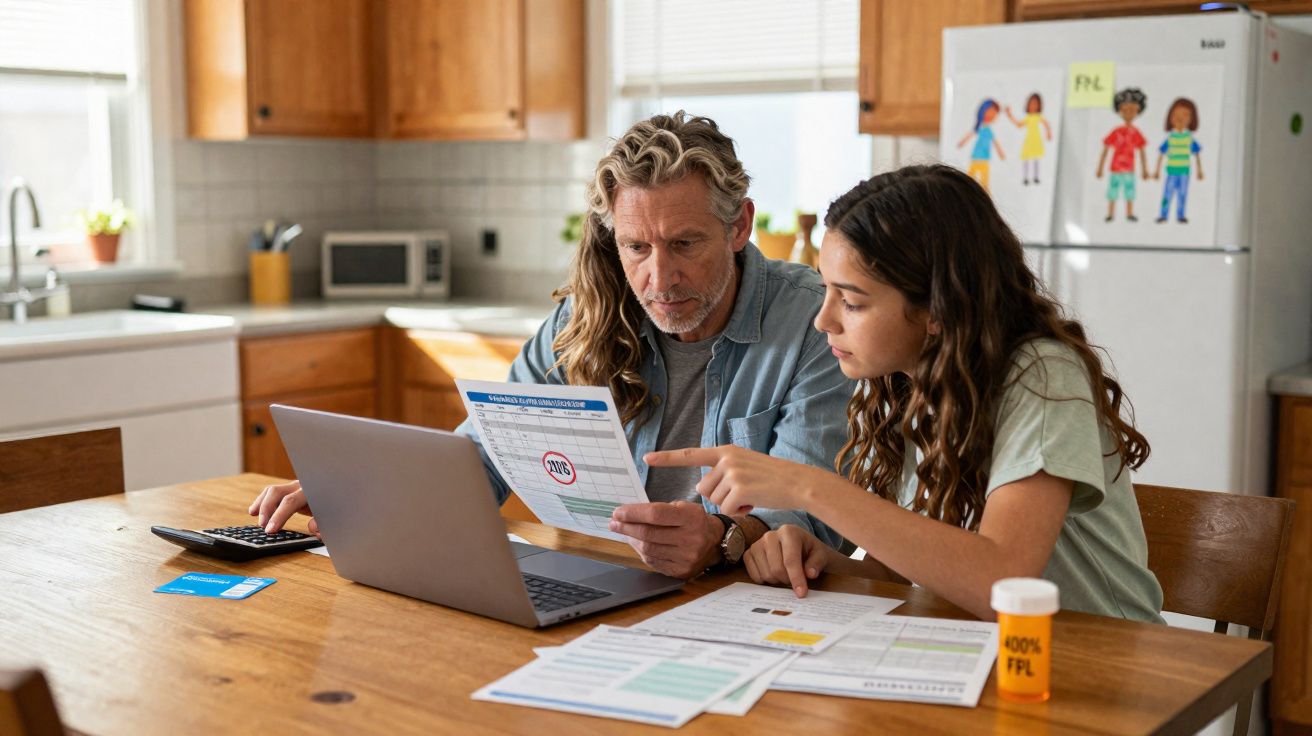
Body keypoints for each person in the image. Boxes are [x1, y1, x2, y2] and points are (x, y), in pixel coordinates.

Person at [248, 112, 855, 579]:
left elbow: (814, 511)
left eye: (686, 244)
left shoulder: (813, 320)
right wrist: (363, 499)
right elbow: (485, 453)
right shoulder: (586, 315)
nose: (659, 277)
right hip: (601, 582)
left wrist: (725, 538)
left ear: (740, 225)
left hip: (738, 606)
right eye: (636, 248)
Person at [646, 164, 1166, 623]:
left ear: (937, 308)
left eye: (850, 301)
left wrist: (807, 487)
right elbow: (918, 570)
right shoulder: (904, 383)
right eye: (826, 291)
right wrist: (821, 558)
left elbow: (1002, 584)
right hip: (982, 657)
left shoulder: (1041, 376)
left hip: (1098, 664)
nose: (822, 319)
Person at [1096, 87, 1150, 223]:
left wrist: (1144, 170)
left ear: (1138, 111)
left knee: (1129, 193)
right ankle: (1110, 213)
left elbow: (1142, 150)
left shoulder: (1136, 132)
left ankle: (1129, 213)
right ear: (1119, 111)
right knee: (1112, 192)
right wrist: (1100, 168)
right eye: (1125, 110)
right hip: (1115, 169)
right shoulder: (1116, 131)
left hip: (1129, 169)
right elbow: (1106, 149)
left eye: (1132, 110)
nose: (1128, 113)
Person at [1152, 97, 1203, 224]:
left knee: (1182, 195)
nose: (1180, 119)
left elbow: (1196, 154)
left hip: (1184, 171)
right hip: (1171, 171)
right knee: (1167, 194)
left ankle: (1181, 215)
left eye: (1185, 115)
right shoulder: (1170, 138)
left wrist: (1200, 170)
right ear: (1170, 118)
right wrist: (1157, 171)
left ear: (1192, 119)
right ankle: (1163, 215)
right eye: (1176, 115)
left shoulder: (1189, 138)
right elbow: (1161, 154)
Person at [956, 98, 1004, 193]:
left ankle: (986, 195)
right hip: (976, 157)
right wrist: (962, 142)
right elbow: (970, 135)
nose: (992, 115)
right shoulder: (979, 127)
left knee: (984, 181)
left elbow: (995, 142)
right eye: (990, 112)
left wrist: (1000, 152)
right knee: (970, 177)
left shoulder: (989, 130)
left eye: (994, 113)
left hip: (985, 159)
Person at [1004, 93, 1052, 186]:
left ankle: (1036, 176)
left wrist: (1049, 133)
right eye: (1031, 104)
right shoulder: (1028, 118)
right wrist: (1010, 115)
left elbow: (1046, 124)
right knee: (1026, 158)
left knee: (1036, 158)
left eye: (1035, 104)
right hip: (1029, 140)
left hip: (1036, 140)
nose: (1033, 106)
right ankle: (1026, 177)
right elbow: (1018, 124)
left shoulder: (1038, 117)